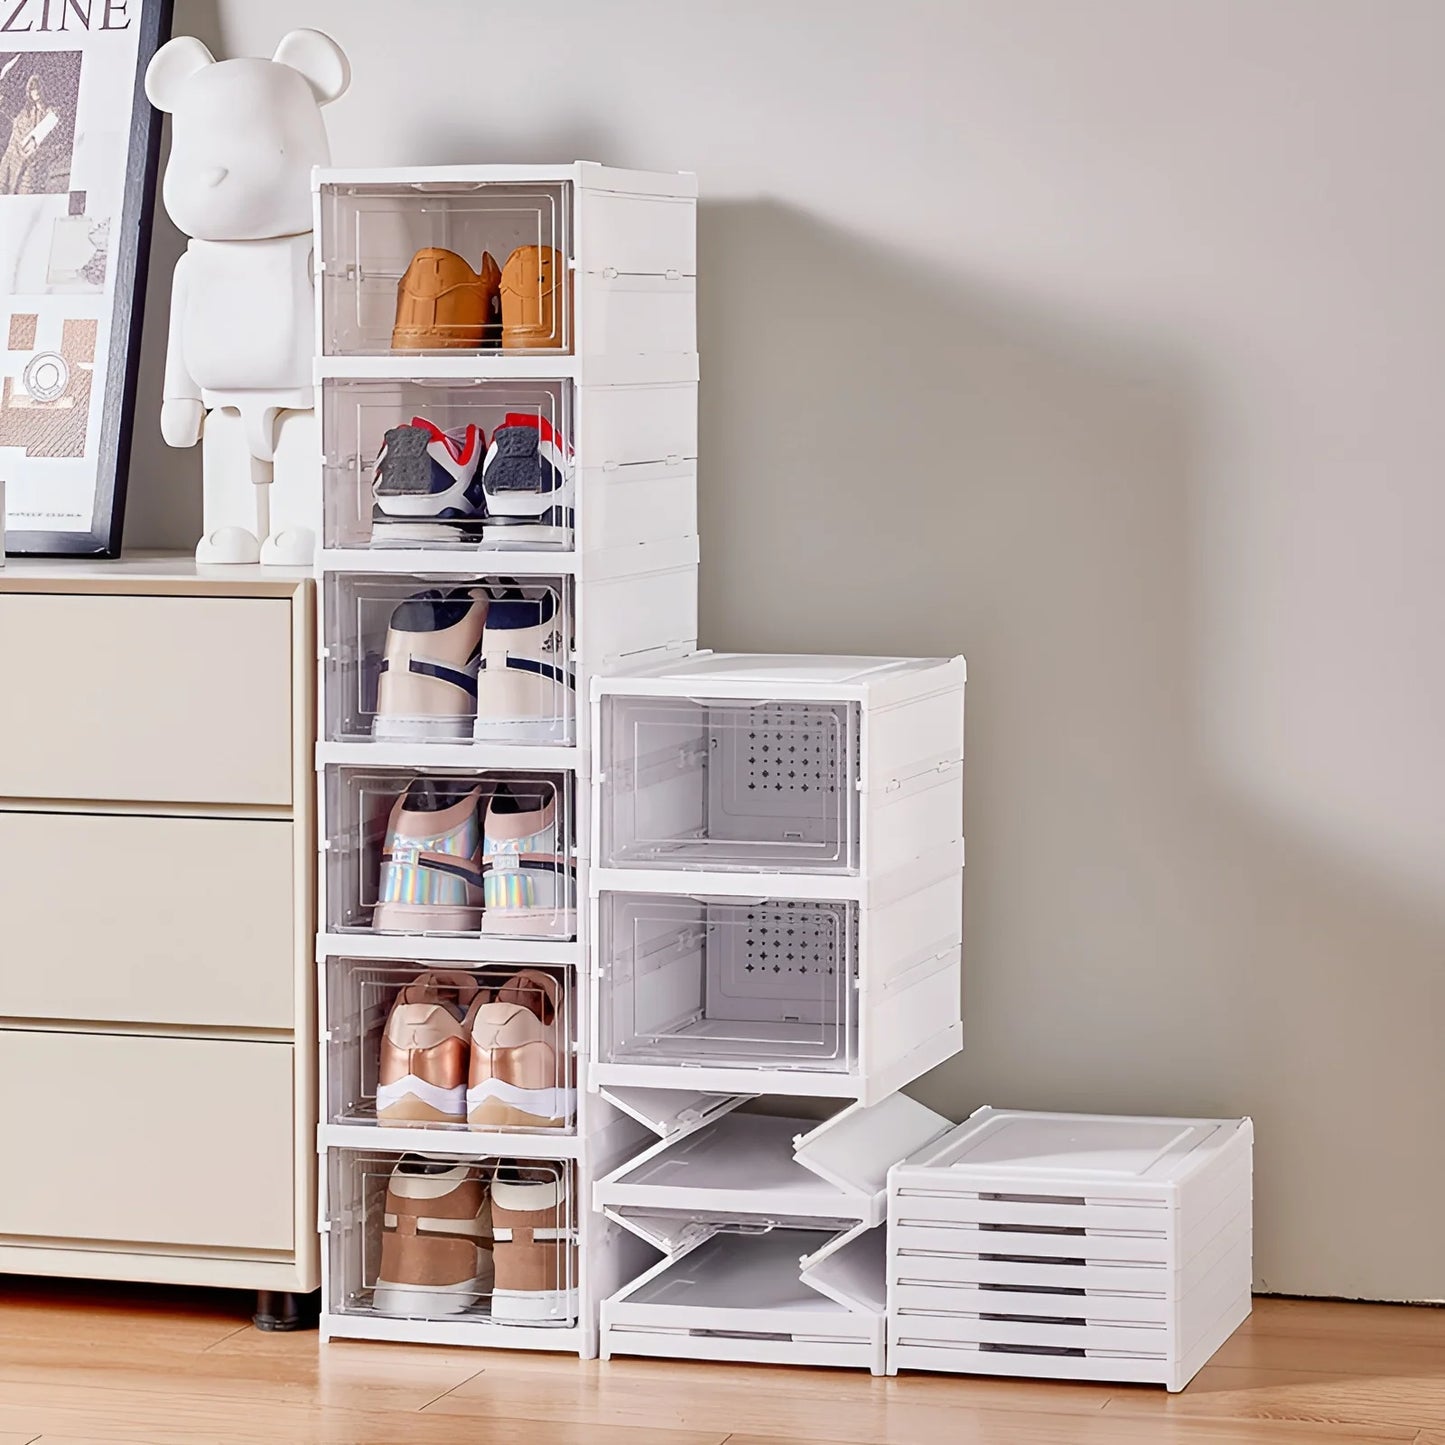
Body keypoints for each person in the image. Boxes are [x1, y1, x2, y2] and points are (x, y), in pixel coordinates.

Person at [0, 74, 59, 195]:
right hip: (16, 159)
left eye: (38, 88)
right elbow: (16, 134)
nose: (35, 91)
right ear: (29, 92)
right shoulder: (25, 113)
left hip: (36, 166)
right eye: (32, 88)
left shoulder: (52, 113)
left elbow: (55, 143)